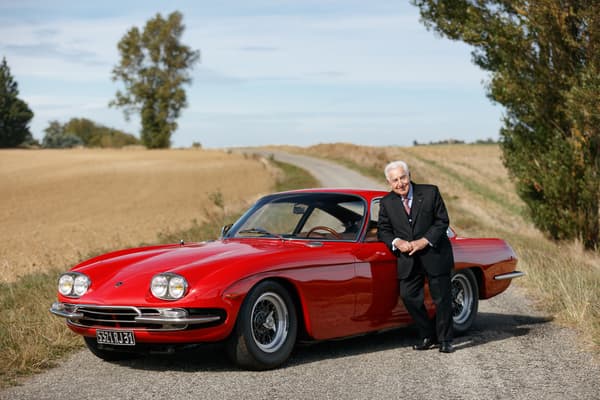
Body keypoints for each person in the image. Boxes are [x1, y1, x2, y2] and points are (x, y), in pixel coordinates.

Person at [377, 160, 455, 353]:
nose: (400, 183)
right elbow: (383, 230)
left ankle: (445, 340)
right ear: (389, 183)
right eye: (394, 180)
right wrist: (397, 242)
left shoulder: (430, 192)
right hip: (408, 259)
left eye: (402, 177)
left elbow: (442, 221)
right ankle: (428, 335)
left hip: (434, 253)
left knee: (442, 299)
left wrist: (424, 241)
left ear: (409, 176)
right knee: (409, 296)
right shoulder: (387, 203)